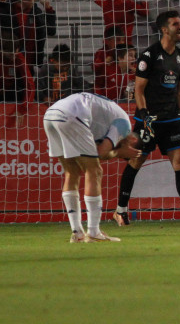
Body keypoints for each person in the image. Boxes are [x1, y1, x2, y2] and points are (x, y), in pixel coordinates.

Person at [113, 10, 180, 226]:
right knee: (136, 160)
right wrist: (144, 116)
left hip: (172, 121)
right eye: (176, 24)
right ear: (164, 29)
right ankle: (120, 210)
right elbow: (139, 90)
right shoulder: (149, 56)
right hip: (148, 121)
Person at [43, 92, 142, 242]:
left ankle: (77, 234)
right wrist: (118, 152)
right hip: (73, 114)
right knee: (95, 171)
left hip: (51, 114)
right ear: (133, 139)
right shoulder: (125, 126)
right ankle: (94, 232)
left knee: (72, 172)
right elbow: (102, 152)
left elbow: (97, 153)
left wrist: (116, 151)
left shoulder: (104, 123)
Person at [10, 0, 56, 73]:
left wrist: (48, 9)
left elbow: (51, 31)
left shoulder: (36, 12)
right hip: (11, 62)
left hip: (32, 64)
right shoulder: (7, 11)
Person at [0, 30, 34, 127]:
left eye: (16, 52)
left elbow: (30, 85)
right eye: (10, 54)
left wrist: (23, 109)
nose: (14, 56)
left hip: (11, 92)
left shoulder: (19, 58)